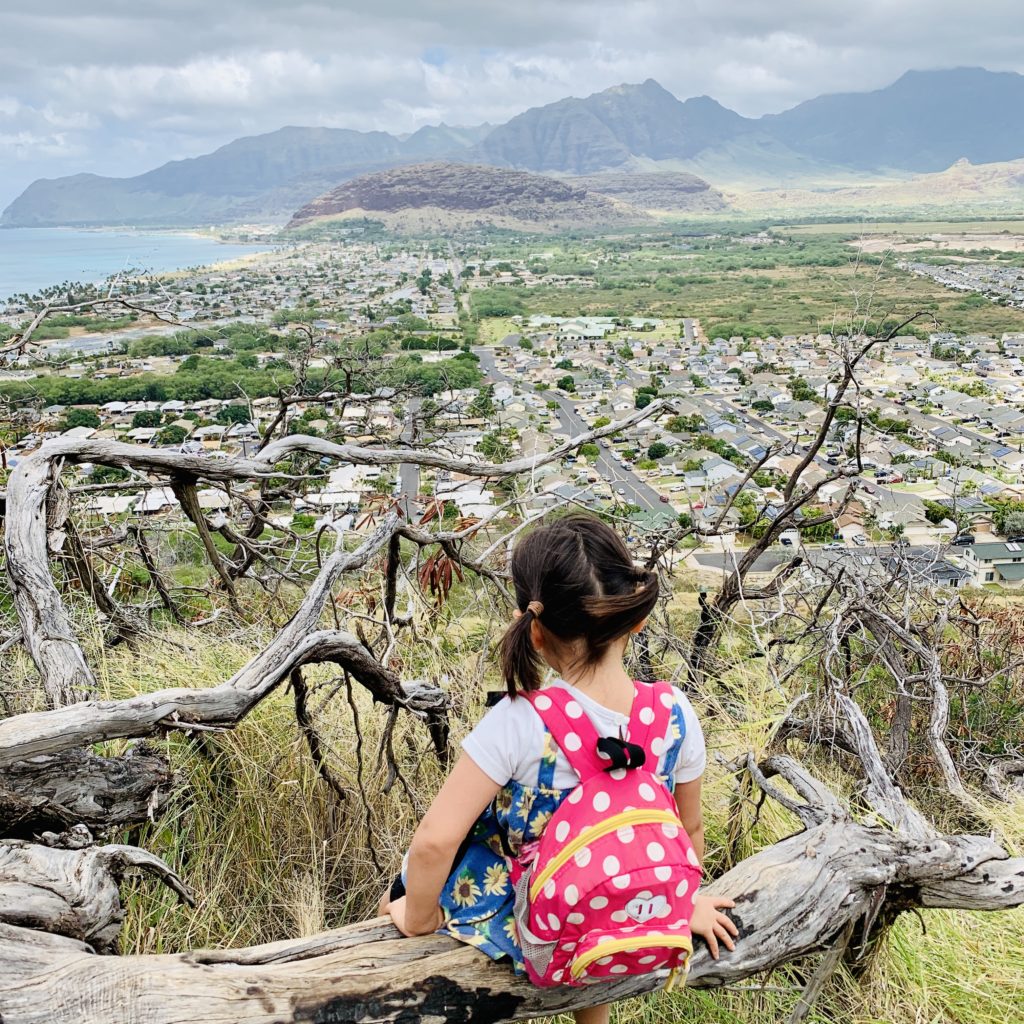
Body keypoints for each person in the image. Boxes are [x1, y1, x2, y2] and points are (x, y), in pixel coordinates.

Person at [381, 514, 736, 1023]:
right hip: (622, 911)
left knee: (398, 895)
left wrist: (419, 918)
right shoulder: (675, 712)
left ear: (537, 633)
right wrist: (683, 905)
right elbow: (689, 829)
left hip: (532, 921)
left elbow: (434, 842)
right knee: (601, 864)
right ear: (633, 620)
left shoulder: (519, 721)